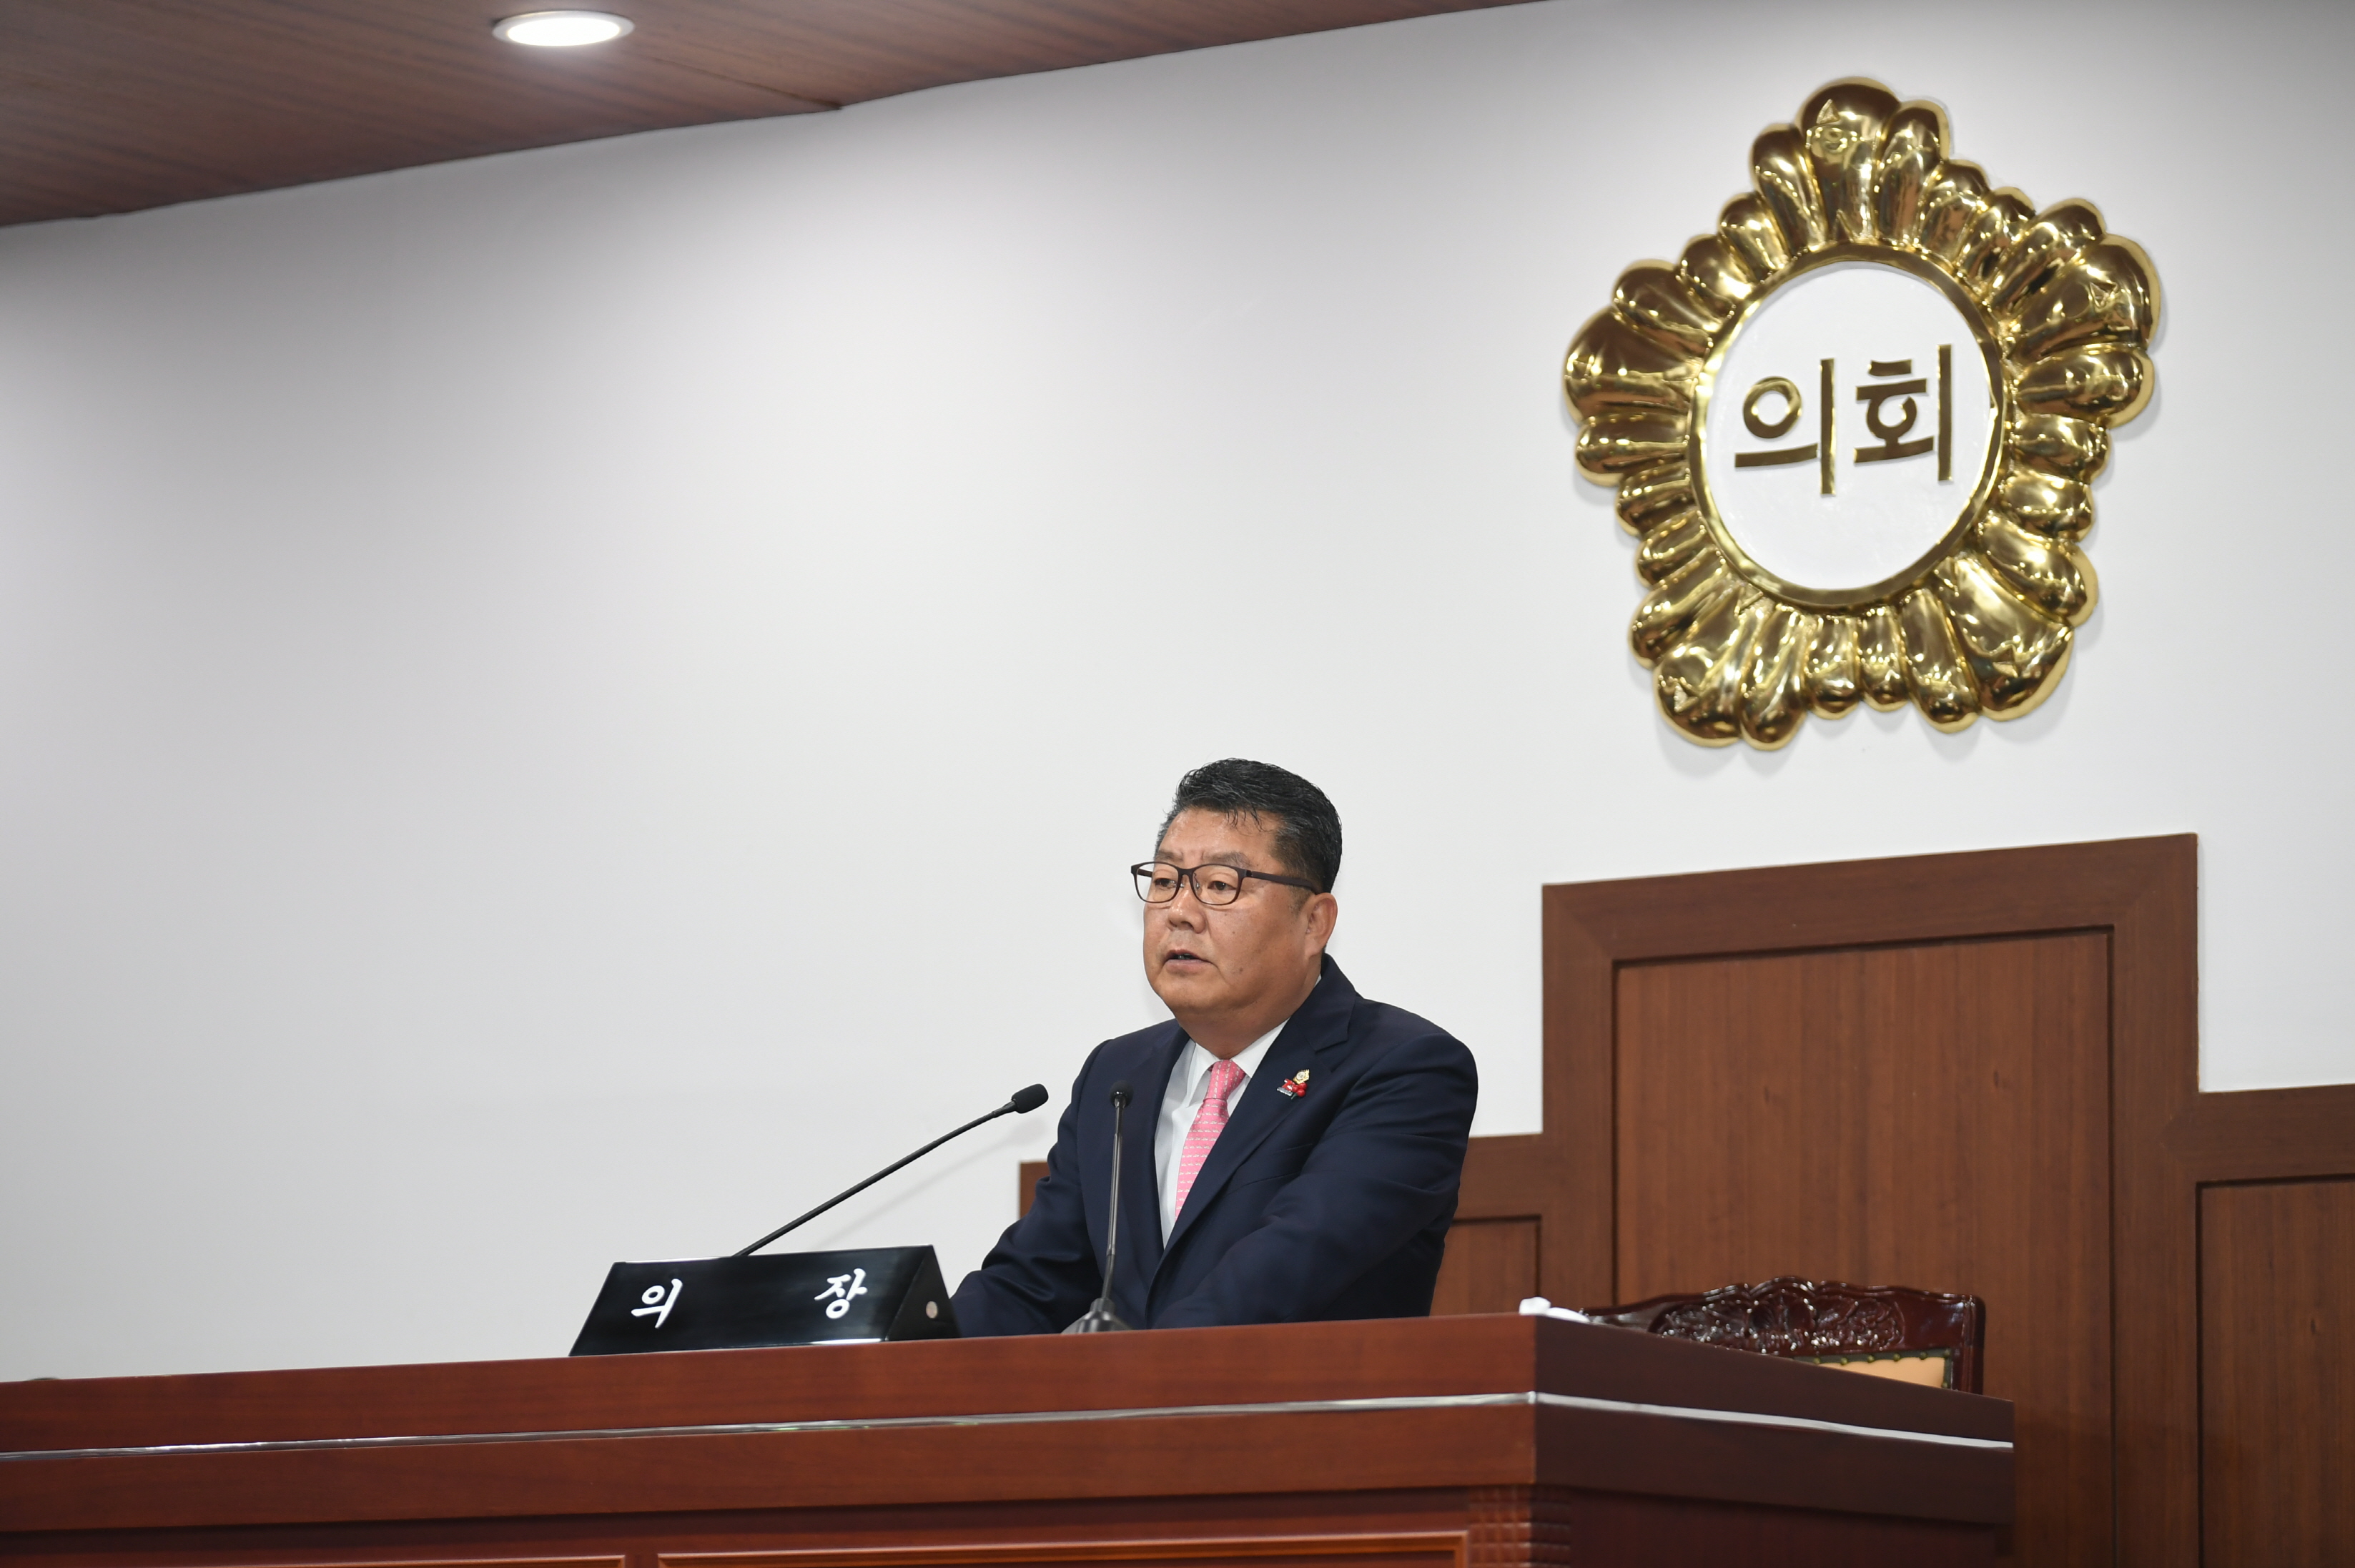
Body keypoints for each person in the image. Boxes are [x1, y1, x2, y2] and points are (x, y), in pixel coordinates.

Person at [949, 759, 1478, 1333]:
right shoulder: (1118, 1076)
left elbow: (1282, 1274)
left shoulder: (1405, 1069)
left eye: (1220, 885)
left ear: (1314, 923)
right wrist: (906, 1355)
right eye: (1164, 881)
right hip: (1130, 1391)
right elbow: (1029, 1284)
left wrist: (1121, 1370)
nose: (1179, 912)